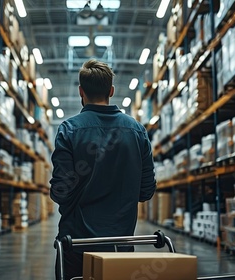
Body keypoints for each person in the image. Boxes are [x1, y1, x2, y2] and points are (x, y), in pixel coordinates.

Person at [50, 59, 157, 280]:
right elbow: (146, 191)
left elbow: (60, 192)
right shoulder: (137, 131)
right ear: (111, 90)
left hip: (77, 245)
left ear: (81, 91)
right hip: (121, 245)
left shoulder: (69, 130)